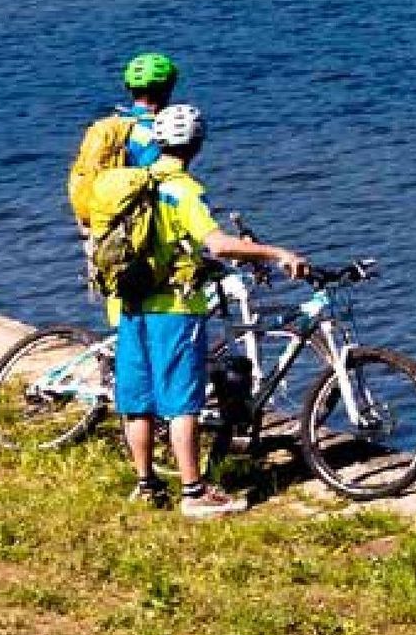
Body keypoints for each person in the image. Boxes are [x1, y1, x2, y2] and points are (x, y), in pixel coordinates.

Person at [116, 102, 310, 520]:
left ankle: (146, 485)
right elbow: (217, 243)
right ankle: (193, 493)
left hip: (132, 303)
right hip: (175, 307)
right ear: (197, 144)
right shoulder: (183, 190)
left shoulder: (139, 181)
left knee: (138, 400)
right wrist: (276, 253)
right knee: (182, 402)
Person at [67, 51, 179, 228]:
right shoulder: (157, 132)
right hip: (136, 230)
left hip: (100, 226)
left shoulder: (113, 125)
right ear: (168, 89)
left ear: (129, 88)